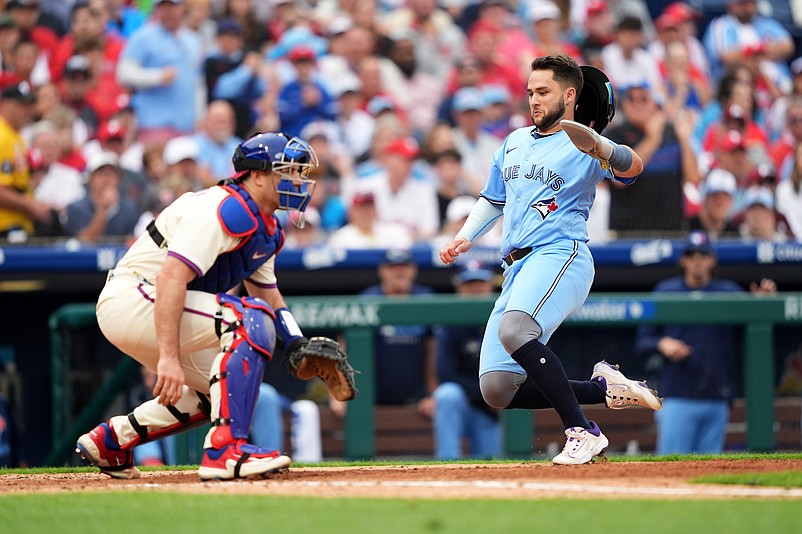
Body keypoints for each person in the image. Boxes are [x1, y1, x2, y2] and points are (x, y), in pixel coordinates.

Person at [74, 131, 350, 480]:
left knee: (219, 392)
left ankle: (112, 442)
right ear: (258, 175)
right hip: (134, 297)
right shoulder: (223, 208)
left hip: (158, 303)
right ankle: (224, 452)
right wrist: (169, 358)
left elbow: (268, 293)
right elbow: (171, 278)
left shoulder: (265, 227)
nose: (297, 180)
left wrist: (296, 342)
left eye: (299, 172)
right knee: (251, 319)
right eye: (287, 171)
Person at [439, 55, 662, 465]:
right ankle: (604, 389)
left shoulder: (584, 142)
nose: (534, 100)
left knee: (515, 329)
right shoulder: (514, 141)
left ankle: (583, 430)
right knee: (497, 387)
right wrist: (464, 236)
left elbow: (634, 168)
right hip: (516, 266)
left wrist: (603, 148)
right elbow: (493, 199)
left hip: (561, 253)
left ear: (570, 94)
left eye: (543, 92)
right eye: (530, 92)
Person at [634, 231, 776, 454]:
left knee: (709, 470)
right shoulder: (666, 291)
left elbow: (750, 331)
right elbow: (642, 341)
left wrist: (760, 306)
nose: (697, 260)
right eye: (691, 254)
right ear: (683, 260)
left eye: (703, 254)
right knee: (672, 467)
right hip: (677, 395)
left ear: (712, 259)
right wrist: (663, 343)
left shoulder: (729, 292)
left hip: (717, 395)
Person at [431, 261, 502, 460]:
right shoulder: (450, 321)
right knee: (447, 394)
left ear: (491, 284)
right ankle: (447, 462)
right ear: (459, 287)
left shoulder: (506, 317)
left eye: (481, 282)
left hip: (491, 409)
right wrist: (485, 393)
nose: (476, 289)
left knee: (492, 463)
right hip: (465, 401)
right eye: (469, 284)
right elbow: (445, 372)